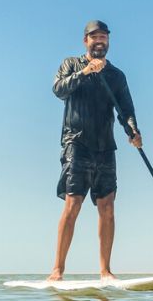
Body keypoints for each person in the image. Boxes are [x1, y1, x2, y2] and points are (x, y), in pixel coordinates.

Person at [48, 20, 142, 281]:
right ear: (85, 41)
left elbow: (126, 109)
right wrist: (86, 72)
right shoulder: (71, 64)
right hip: (76, 144)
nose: (99, 41)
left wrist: (133, 131)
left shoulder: (116, 76)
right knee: (73, 203)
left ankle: (105, 271)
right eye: (95, 37)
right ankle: (57, 270)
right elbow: (58, 90)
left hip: (105, 147)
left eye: (104, 37)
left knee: (107, 207)